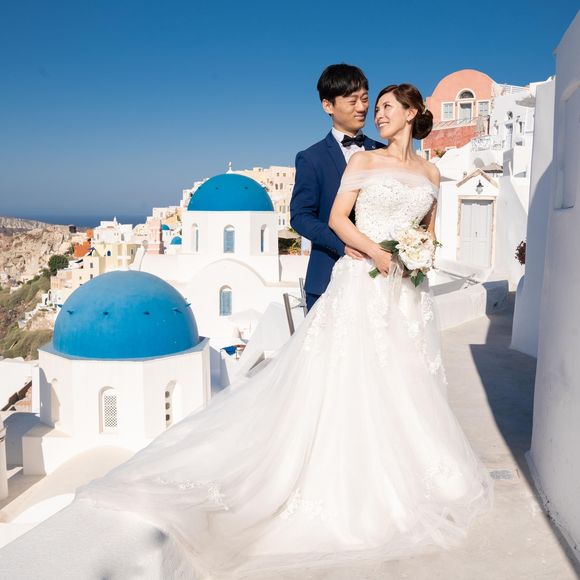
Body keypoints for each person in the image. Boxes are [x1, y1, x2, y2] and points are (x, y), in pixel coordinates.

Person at [77, 83, 493, 579]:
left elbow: (428, 229)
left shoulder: (430, 172)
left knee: (406, 380)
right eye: (372, 105)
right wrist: (377, 253)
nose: (375, 113)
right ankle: (352, 482)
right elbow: (336, 218)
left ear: (411, 113)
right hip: (364, 282)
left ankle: (413, 475)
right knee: (352, 380)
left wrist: (420, 255)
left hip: (407, 292)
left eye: (384, 106)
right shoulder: (364, 162)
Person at [290, 64, 384, 311]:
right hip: (327, 279)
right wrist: (342, 244)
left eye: (365, 99)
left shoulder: (383, 152)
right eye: (352, 101)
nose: (362, 107)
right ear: (328, 106)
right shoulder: (311, 158)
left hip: (380, 280)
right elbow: (300, 217)